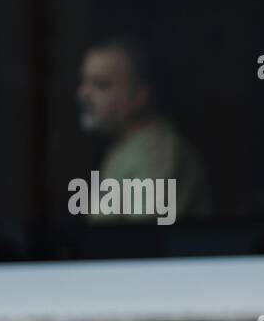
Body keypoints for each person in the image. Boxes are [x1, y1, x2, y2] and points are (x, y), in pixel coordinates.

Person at [75, 36, 211, 223]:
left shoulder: (157, 157)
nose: (83, 94)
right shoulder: (126, 145)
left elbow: (140, 243)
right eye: (84, 82)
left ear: (138, 96)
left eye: (101, 84)